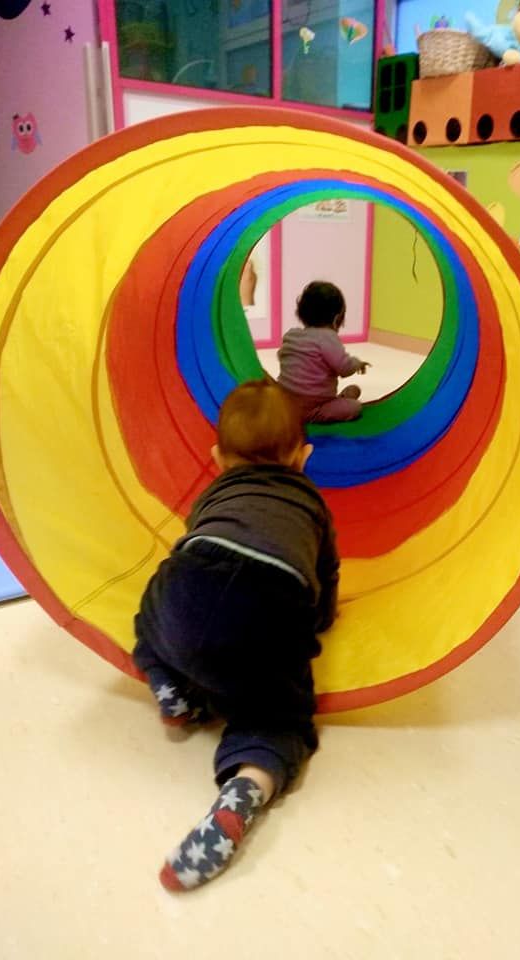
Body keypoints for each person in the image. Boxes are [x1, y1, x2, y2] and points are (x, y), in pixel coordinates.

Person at [133, 380, 340, 891]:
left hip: (192, 581)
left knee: (151, 611)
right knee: (278, 720)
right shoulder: (311, 503)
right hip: (275, 603)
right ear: (303, 456)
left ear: (217, 458)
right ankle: (247, 787)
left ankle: (170, 681)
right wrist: (319, 622)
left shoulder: (214, 492)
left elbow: (200, 538)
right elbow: (326, 577)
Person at [277, 280, 371, 423]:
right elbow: (344, 367)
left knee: (354, 391)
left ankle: (335, 401)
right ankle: (326, 407)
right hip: (313, 407)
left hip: (283, 402)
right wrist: (357, 363)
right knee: (354, 407)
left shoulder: (291, 335)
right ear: (336, 319)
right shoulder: (328, 338)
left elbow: (282, 356)